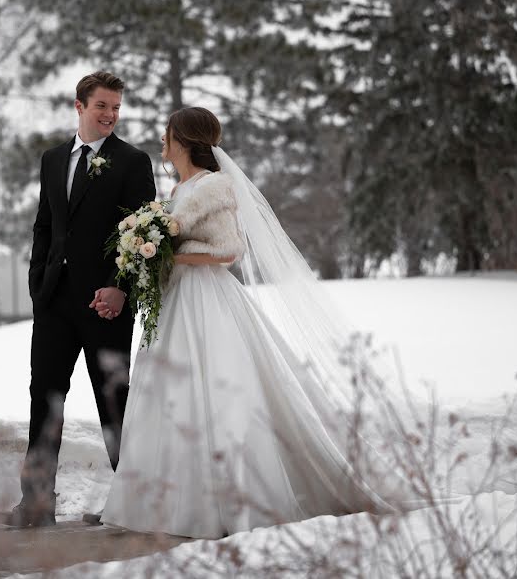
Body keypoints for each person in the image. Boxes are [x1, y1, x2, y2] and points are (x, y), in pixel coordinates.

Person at [101, 107, 402, 539]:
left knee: (218, 391)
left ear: (183, 140)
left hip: (207, 300)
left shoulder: (214, 186)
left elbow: (228, 250)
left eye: (168, 134)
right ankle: (164, 503)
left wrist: (166, 252)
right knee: (170, 392)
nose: (162, 141)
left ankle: (225, 501)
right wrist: (148, 253)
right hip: (175, 302)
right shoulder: (178, 187)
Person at [0, 72, 156, 528]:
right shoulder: (52, 159)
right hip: (53, 305)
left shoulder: (132, 161)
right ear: (79, 106)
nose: (111, 115)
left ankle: (134, 505)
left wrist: (120, 288)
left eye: (117, 107)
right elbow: (44, 225)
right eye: (102, 105)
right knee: (43, 399)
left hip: (106, 304)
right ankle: (37, 504)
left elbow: (140, 233)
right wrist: (37, 285)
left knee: (113, 400)